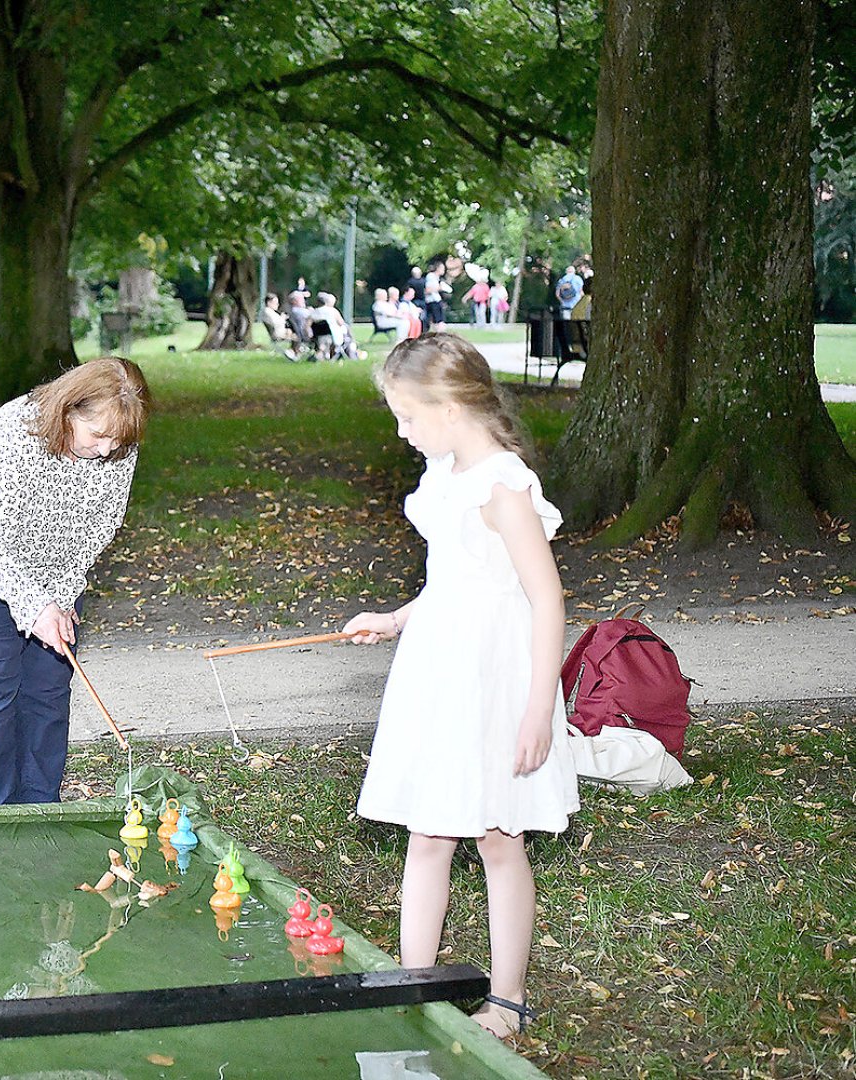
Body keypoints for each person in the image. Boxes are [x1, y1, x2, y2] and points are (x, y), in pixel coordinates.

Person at [342, 333, 578, 1040]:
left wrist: (539, 710)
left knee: (500, 837)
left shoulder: (503, 486)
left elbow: (545, 600)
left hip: (497, 680)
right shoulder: (444, 473)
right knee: (429, 831)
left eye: (407, 416)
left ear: (448, 408)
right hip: (440, 673)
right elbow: (454, 582)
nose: (401, 430)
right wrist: (394, 617)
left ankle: (506, 998)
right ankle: (415, 988)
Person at [0, 357, 152, 806]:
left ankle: (40, 811)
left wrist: (62, 597)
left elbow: (100, 528)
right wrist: (35, 607)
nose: (108, 450)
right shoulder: (15, 429)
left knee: (47, 693)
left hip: (55, 578)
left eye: (118, 440)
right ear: (69, 410)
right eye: (99, 436)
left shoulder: (119, 443)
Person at [308, 291, 359, 359]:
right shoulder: (333, 311)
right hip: (333, 336)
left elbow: (307, 325)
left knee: (323, 343)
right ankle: (351, 352)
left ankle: (320, 354)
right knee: (347, 335)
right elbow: (341, 323)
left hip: (318, 337)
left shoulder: (313, 313)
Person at [261, 293, 299, 361]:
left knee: (295, 333)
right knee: (297, 337)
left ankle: (293, 353)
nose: (277, 305)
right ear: (269, 303)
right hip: (278, 334)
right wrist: (283, 318)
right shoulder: (268, 312)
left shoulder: (271, 312)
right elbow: (276, 323)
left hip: (281, 331)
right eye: (275, 303)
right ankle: (292, 353)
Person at [423, 260, 450, 331]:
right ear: (438, 268)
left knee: (438, 320)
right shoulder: (431, 276)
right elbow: (428, 290)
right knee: (438, 321)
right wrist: (441, 288)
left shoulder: (437, 278)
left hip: (436, 300)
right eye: (442, 269)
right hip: (433, 301)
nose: (444, 270)